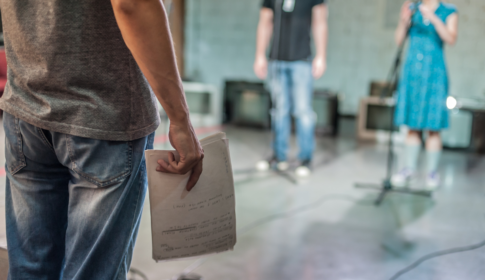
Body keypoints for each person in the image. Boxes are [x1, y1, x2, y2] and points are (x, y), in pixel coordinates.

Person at [0, 0, 204, 278]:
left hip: (26, 107)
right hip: (104, 117)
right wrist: (180, 119)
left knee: (30, 271)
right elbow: (132, 4)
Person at [254, 0, 328, 176]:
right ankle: (279, 156)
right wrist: (260, 55)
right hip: (277, 61)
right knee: (279, 110)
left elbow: (320, 22)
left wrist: (321, 56)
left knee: (303, 111)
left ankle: (305, 158)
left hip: (302, 61)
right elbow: (265, 23)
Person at [391, 0, 458, 189]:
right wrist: (404, 21)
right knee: (412, 125)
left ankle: (432, 172)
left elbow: (451, 39)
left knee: (433, 126)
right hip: (413, 72)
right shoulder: (412, 7)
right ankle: (408, 169)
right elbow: (399, 40)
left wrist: (434, 19)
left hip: (435, 73)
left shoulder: (449, 11)